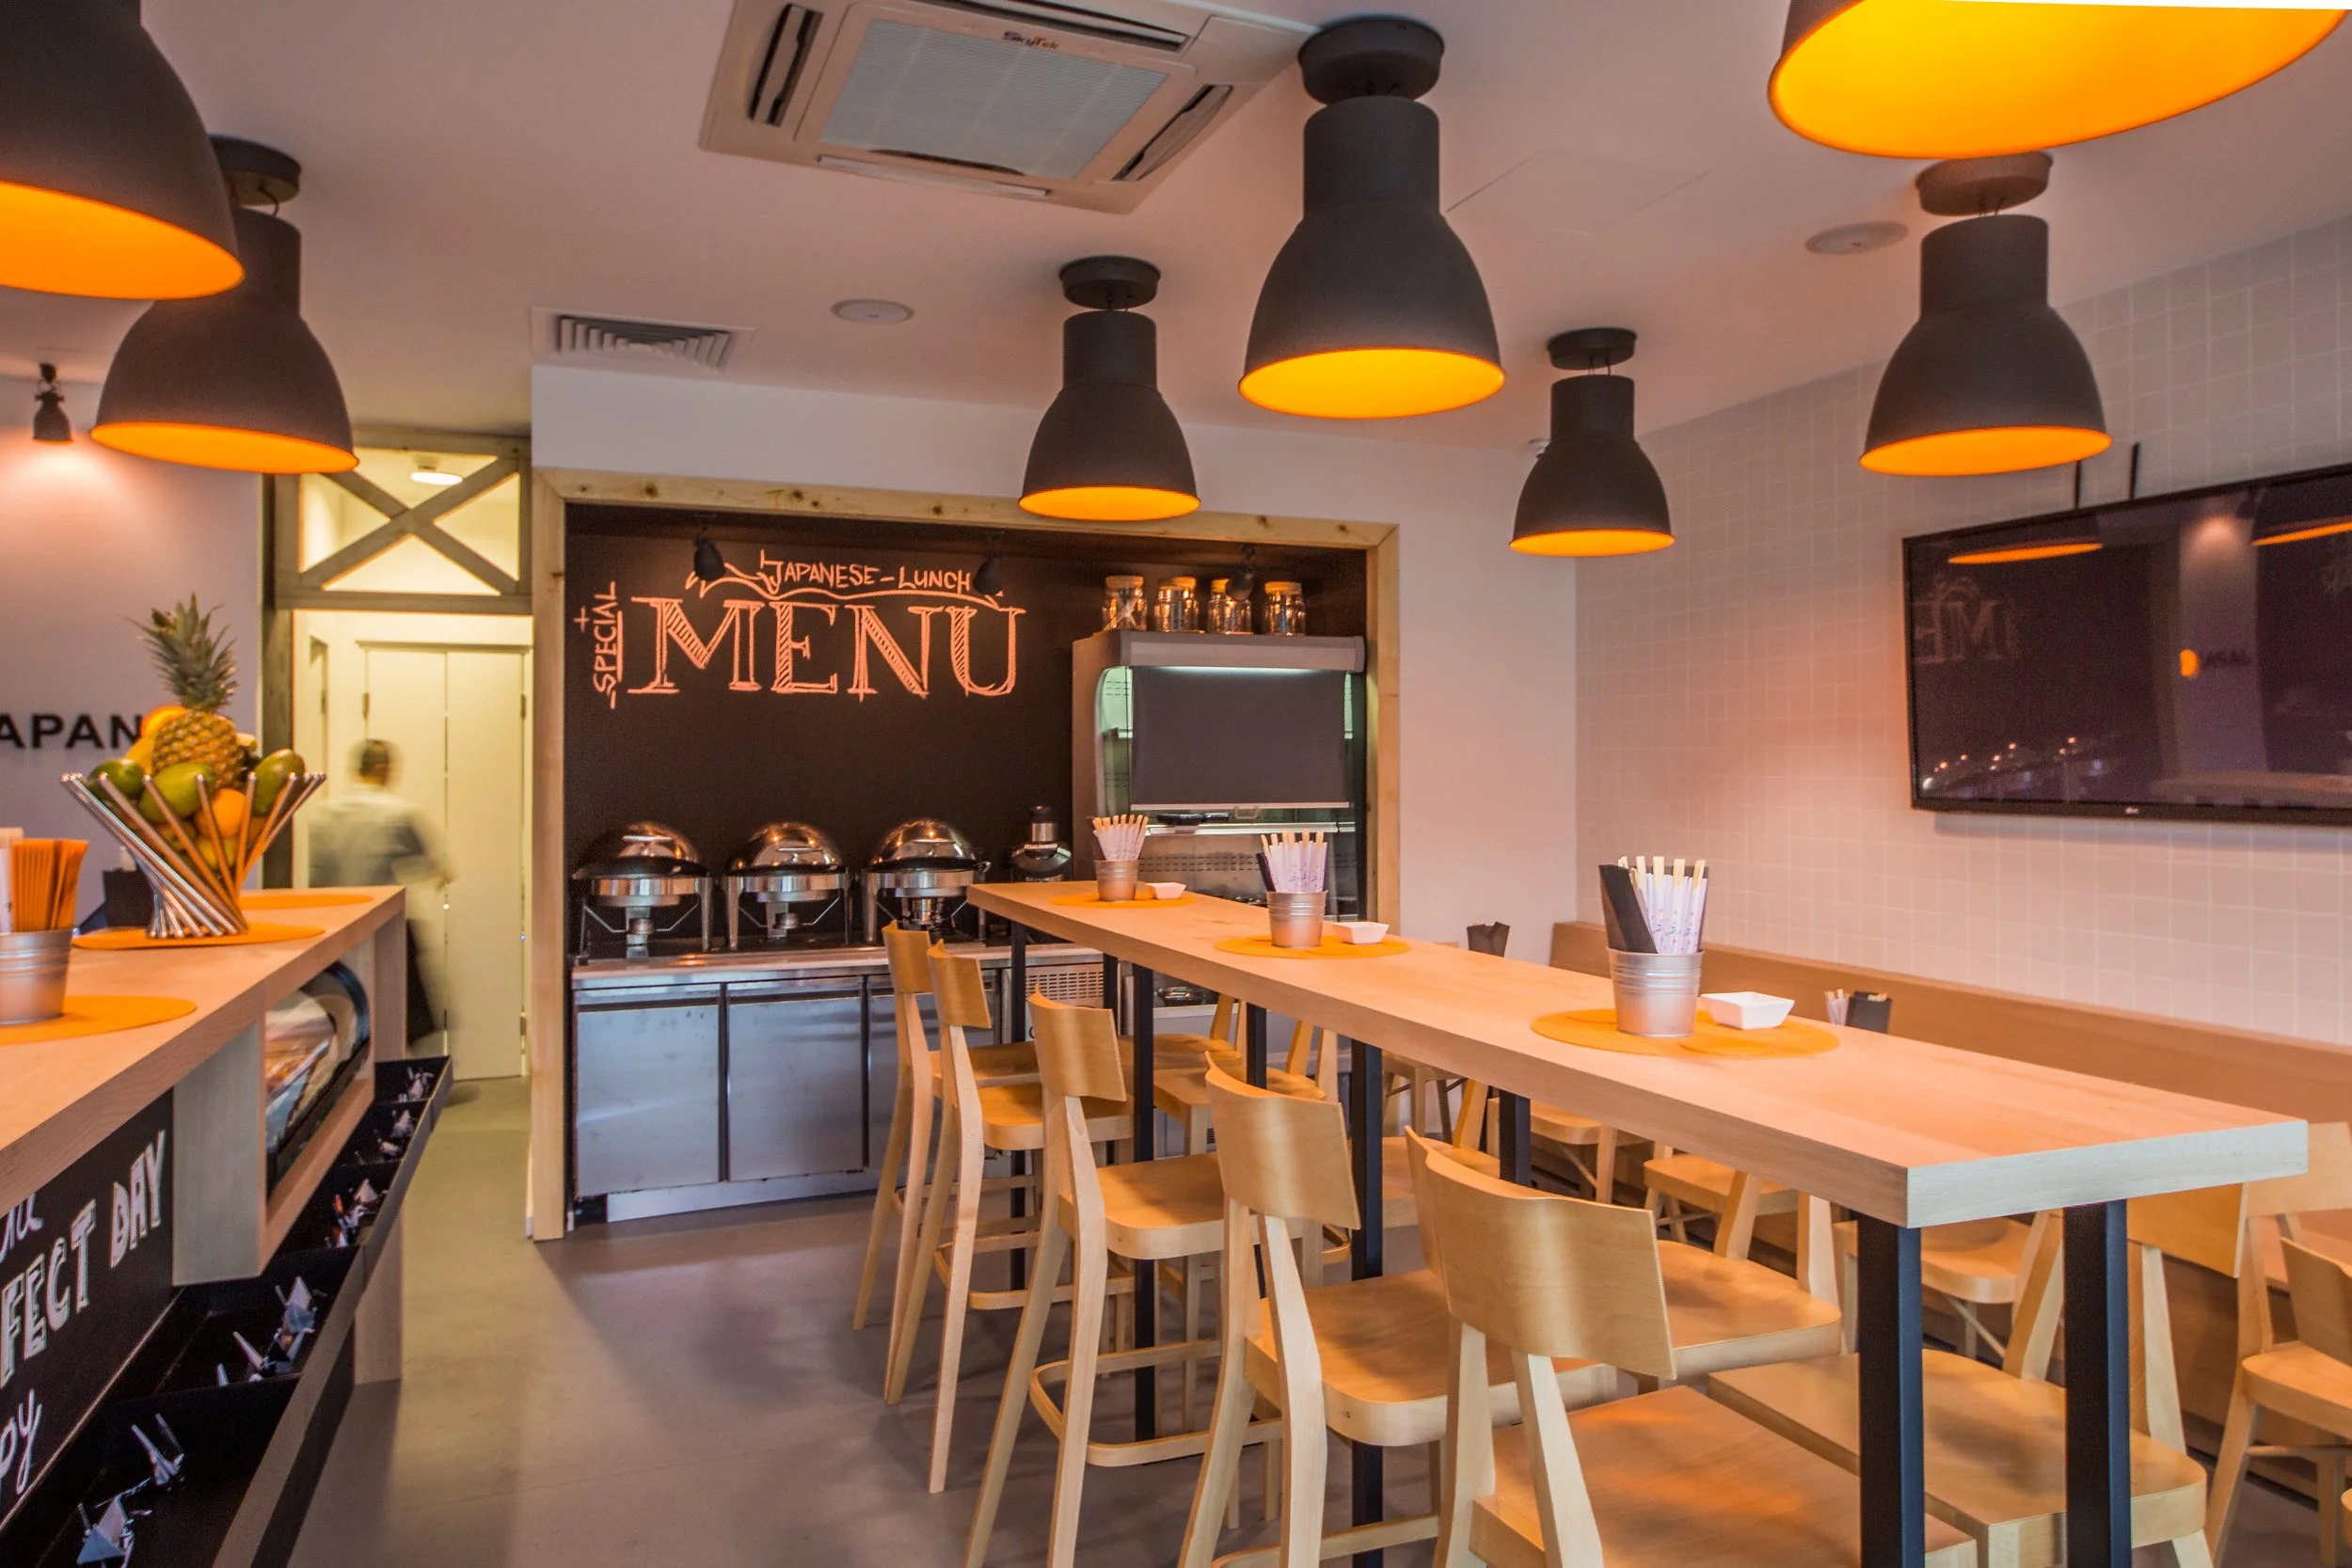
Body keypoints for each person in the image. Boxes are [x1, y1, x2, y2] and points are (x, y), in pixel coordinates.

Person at [308, 739, 449, 1043]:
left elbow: (315, 878)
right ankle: (409, 1078)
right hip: (385, 926)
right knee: (405, 1006)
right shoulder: (398, 813)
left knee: (346, 1005)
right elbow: (434, 867)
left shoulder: (323, 814)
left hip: (337, 929)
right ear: (383, 768)